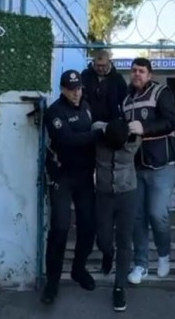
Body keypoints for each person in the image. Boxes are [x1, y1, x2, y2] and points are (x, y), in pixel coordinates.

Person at [41, 69, 104, 305]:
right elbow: (67, 140)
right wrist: (97, 134)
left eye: (78, 89)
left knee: (88, 227)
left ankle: (79, 269)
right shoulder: (54, 112)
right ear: (62, 89)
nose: (76, 93)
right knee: (59, 229)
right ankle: (52, 283)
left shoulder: (85, 106)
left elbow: (89, 133)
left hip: (85, 177)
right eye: (71, 89)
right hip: (62, 177)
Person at [122, 58, 175, 285]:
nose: (137, 74)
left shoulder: (161, 92)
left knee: (157, 214)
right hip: (136, 167)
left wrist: (144, 128)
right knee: (137, 217)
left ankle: (164, 255)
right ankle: (141, 264)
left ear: (150, 74)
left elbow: (171, 122)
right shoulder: (126, 100)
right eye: (134, 70)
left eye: (141, 71)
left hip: (162, 165)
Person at [92, 118, 141, 312]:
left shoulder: (133, 141)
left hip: (127, 193)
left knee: (124, 239)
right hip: (103, 194)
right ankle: (107, 253)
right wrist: (106, 129)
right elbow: (95, 125)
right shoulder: (99, 137)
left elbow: (141, 129)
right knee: (103, 237)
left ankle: (119, 287)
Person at [81, 50, 128, 123]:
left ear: (109, 62)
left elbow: (124, 99)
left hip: (112, 121)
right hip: (89, 120)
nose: (100, 68)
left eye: (103, 66)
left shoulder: (117, 78)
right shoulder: (85, 76)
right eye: (98, 65)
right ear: (93, 62)